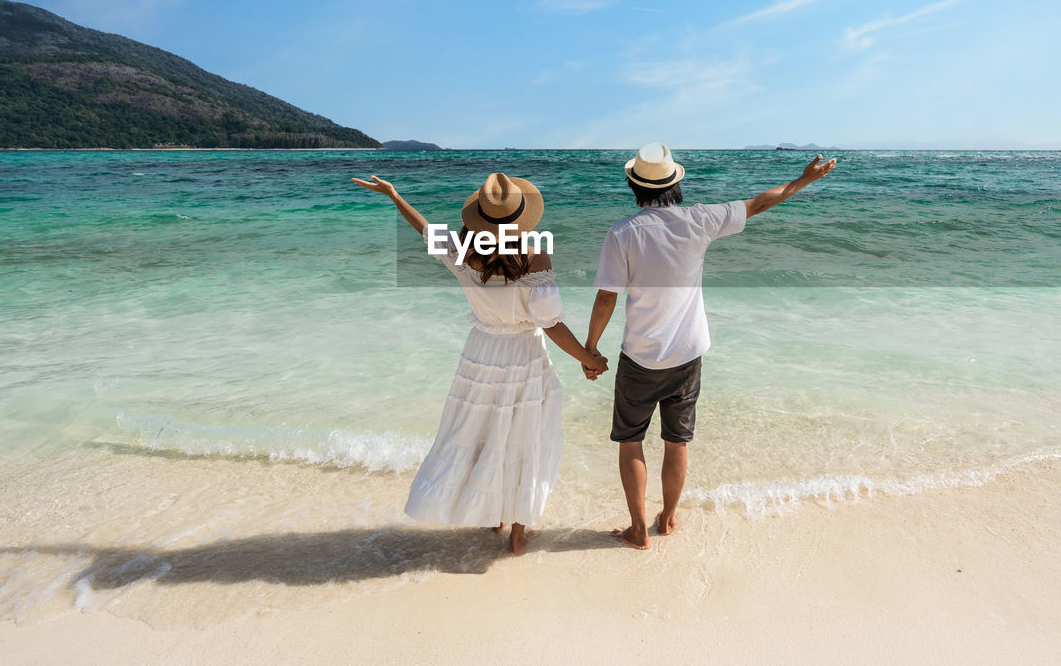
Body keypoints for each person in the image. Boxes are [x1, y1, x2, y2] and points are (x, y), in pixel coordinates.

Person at [584, 143, 836, 549]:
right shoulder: (701, 219)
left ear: (634, 185)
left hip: (641, 358)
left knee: (631, 440)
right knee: (676, 441)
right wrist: (803, 180)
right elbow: (759, 203)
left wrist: (590, 349)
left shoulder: (622, 233)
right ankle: (666, 518)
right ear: (675, 184)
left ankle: (637, 530)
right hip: (688, 354)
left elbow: (607, 298)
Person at [353, 171, 607, 555]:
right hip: (523, 355)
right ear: (523, 216)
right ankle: (518, 535)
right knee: (524, 438)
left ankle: (493, 516)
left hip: (481, 352)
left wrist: (393, 194)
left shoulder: (463, 251)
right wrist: (587, 357)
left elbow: (424, 229)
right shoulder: (534, 256)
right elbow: (550, 323)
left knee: (484, 433)